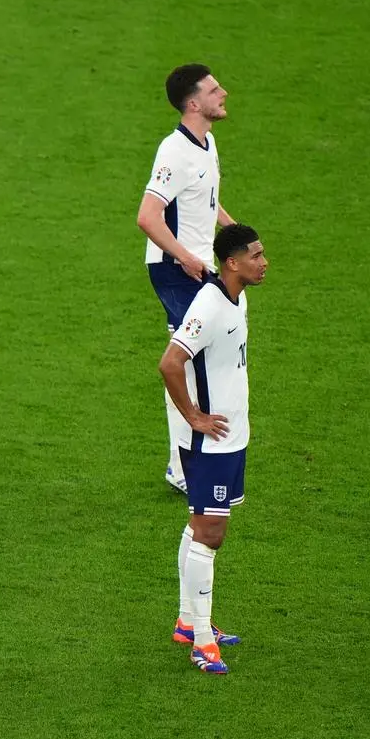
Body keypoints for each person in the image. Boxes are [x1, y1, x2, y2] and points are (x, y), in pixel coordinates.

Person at [157, 224, 268, 674]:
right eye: (255, 256)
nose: (263, 262)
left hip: (229, 437)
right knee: (211, 535)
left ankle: (189, 620)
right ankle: (202, 641)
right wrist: (194, 418)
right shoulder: (209, 305)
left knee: (200, 527)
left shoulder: (236, 297)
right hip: (210, 442)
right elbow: (170, 363)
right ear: (232, 262)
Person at [137, 64, 236, 492]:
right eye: (215, 90)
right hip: (176, 270)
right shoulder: (174, 152)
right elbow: (147, 217)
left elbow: (206, 202)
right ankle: (181, 466)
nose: (224, 93)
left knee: (198, 358)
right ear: (193, 103)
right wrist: (187, 259)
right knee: (186, 360)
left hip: (197, 265)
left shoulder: (207, 143)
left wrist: (235, 237)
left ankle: (184, 458)